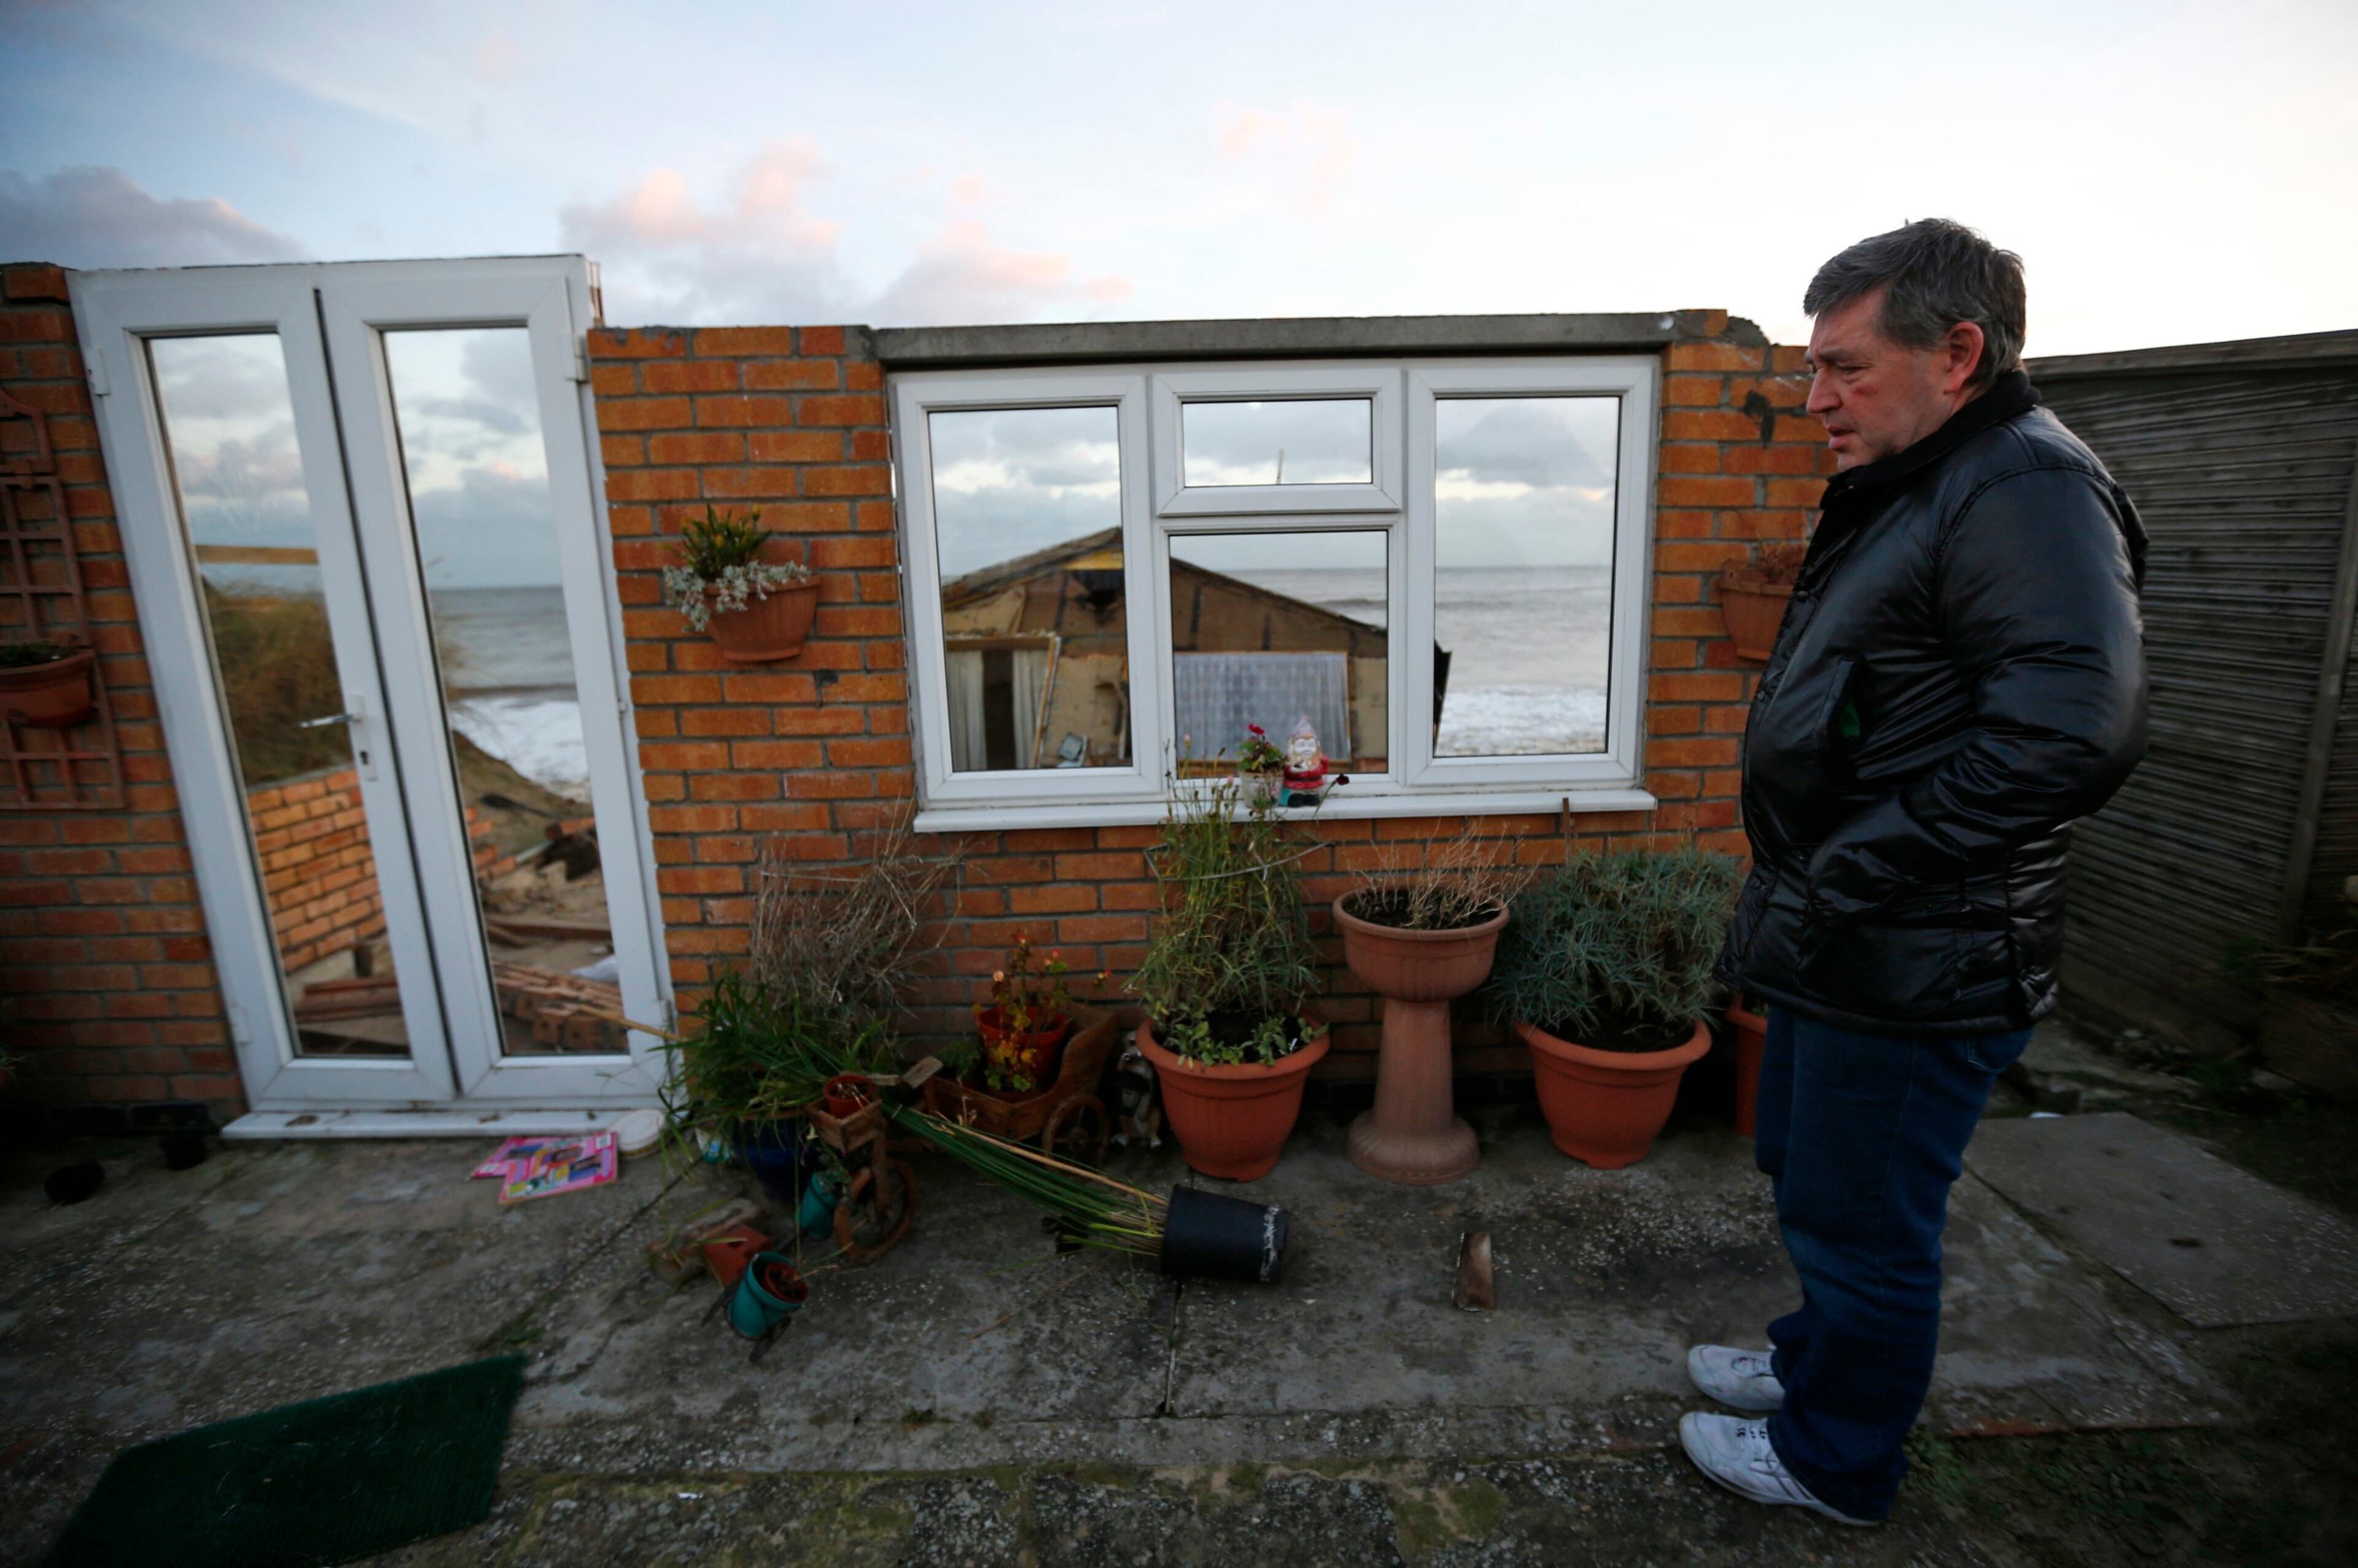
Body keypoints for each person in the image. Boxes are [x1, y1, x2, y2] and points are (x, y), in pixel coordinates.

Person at [1681, 219, 2150, 1526]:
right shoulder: (1932, 477)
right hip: (1863, 936)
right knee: (1809, 1171)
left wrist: (1850, 867)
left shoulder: (2023, 486)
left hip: (1921, 951)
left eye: (1842, 367)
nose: (1814, 397)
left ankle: (1838, 1459)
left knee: (1866, 1222)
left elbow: (2071, 728)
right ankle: (1809, 1360)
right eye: (1811, 368)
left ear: (1959, 352)